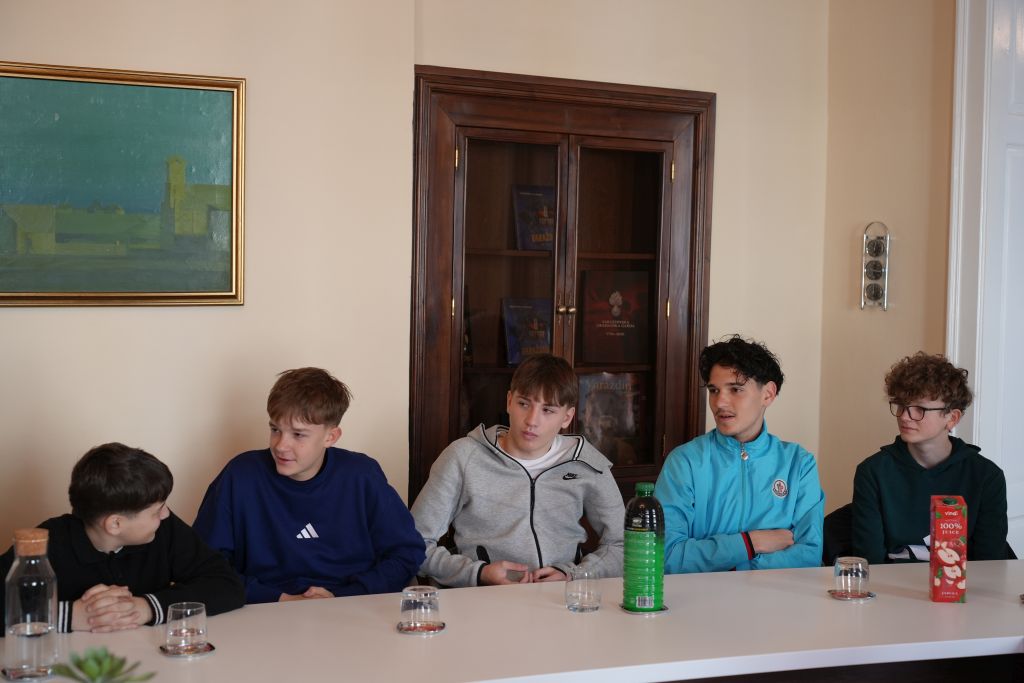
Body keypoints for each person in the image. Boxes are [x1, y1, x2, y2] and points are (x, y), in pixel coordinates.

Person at [193, 367, 425, 603]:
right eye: (275, 429)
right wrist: (278, 598)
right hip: (265, 609)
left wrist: (343, 596)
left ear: (330, 437)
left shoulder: (362, 475)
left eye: (298, 434)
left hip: (348, 606)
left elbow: (407, 553)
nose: (280, 445)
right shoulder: (240, 476)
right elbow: (203, 564)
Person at [411, 353, 624, 587]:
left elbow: (623, 544)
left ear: (567, 417)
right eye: (524, 404)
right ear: (509, 401)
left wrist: (575, 574)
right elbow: (413, 544)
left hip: (561, 599)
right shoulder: (463, 458)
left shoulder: (587, 464)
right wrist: (479, 573)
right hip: (483, 600)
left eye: (548, 410)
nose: (532, 420)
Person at [0, 443, 244, 635]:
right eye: (157, 510)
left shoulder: (164, 529)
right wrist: (69, 616)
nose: (166, 514)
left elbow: (227, 584)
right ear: (115, 524)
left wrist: (145, 607)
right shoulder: (47, 543)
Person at [655, 335, 824, 573]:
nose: (719, 403)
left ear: (768, 394)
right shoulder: (685, 463)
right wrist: (750, 543)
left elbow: (809, 555)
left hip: (776, 596)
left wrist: (736, 567)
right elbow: (667, 557)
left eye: (735, 389)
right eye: (714, 390)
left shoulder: (799, 464)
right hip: (701, 597)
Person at [851, 352, 1008, 563]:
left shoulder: (986, 476)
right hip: (890, 582)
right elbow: (870, 562)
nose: (904, 416)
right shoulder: (873, 472)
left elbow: (989, 565)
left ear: (952, 418)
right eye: (901, 405)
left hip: (964, 583)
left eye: (919, 409)